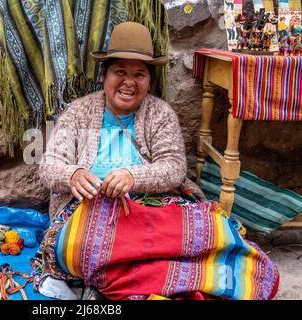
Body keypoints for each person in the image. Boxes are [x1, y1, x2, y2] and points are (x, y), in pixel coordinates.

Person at [36, 22, 279, 300]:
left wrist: (132, 176)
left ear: (149, 80)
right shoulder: (79, 113)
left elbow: (174, 168)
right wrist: (73, 174)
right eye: (120, 72)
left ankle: (108, 283)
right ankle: (138, 280)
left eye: (139, 74)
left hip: (153, 205)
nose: (129, 82)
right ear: (105, 75)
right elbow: (50, 164)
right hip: (91, 209)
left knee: (212, 230)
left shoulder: (160, 113)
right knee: (81, 242)